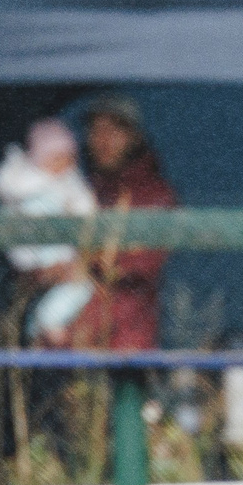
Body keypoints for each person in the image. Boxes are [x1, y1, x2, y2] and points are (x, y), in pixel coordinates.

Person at [67, 96, 178, 351]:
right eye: (95, 130)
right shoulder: (80, 190)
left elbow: (141, 261)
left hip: (128, 338)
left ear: (135, 137)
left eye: (114, 130)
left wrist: (86, 259)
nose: (103, 140)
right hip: (71, 338)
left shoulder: (154, 194)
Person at [0, 117, 98, 342]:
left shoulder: (70, 182)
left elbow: (86, 207)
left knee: (79, 287)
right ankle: (42, 325)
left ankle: (47, 321)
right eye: (56, 158)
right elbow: (7, 189)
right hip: (30, 255)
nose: (63, 164)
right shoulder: (21, 181)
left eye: (68, 158)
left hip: (63, 254)